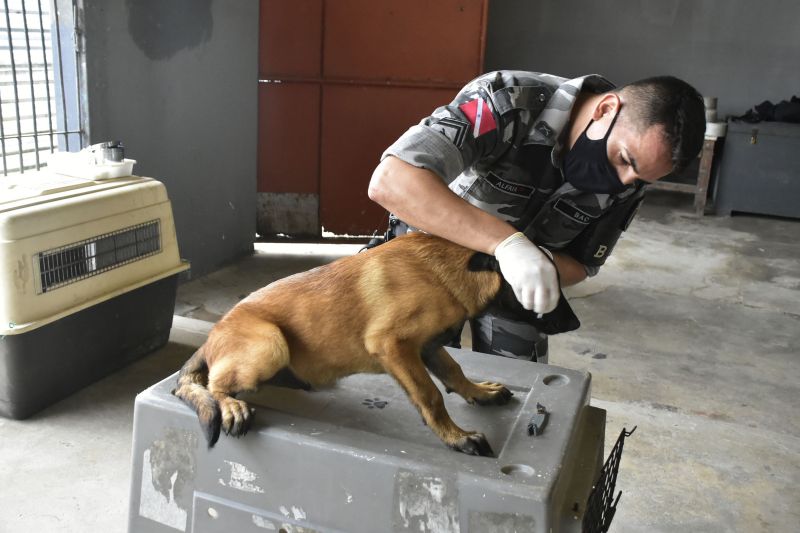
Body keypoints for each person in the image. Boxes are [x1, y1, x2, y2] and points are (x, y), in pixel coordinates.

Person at [368, 70, 705, 363]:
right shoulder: (508, 99)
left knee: (518, 393)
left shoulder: (630, 181)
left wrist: (536, 261)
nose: (624, 182)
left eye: (642, 179)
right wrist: (507, 245)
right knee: (408, 377)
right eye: (624, 160)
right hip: (429, 263)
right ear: (605, 109)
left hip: (513, 284)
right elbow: (391, 180)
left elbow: (581, 265)